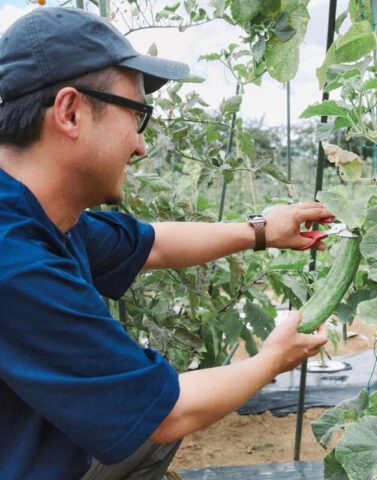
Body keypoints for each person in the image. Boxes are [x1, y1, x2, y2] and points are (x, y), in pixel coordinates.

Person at [0, 7, 331, 480]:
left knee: (144, 436)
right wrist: (274, 357)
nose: (140, 145)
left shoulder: (43, 216)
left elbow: (151, 244)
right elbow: (166, 413)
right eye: (137, 117)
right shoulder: (14, 262)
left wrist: (262, 231)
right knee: (157, 416)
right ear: (70, 112)